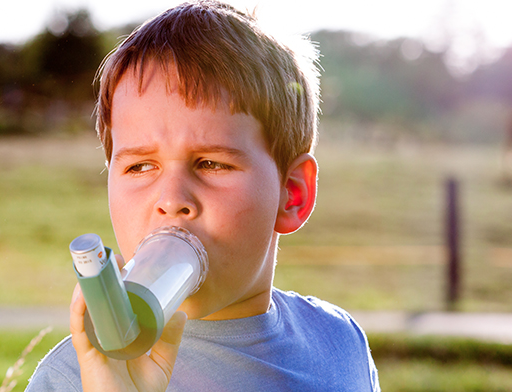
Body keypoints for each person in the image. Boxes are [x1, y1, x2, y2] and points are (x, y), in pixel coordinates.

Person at [26, 1, 380, 390]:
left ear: (292, 194)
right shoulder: (77, 376)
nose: (172, 199)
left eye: (211, 164)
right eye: (140, 166)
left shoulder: (339, 342)